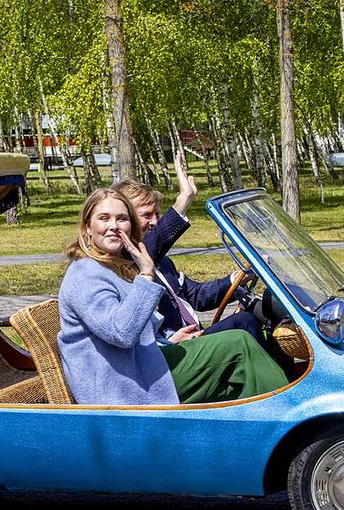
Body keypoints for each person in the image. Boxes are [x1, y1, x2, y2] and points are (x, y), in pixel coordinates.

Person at [57, 188, 288, 406]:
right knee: (239, 345)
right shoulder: (85, 274)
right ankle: (295, 421)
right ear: (87, 227)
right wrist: (146, 274)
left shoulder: (112, 266)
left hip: (144, 366)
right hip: (123, 389)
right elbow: (122, 332)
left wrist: (168, 340)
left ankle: (254, 438)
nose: (114, 226)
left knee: (237, 358)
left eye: (121, 219)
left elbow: (139, 327)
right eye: (104, 218)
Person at [114, 149, 268, 345]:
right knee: (244, 323)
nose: (154, 222)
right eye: (147, 215)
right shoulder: (125, 262)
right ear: (126, 219)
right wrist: (184, 199)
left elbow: (196, 296)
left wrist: (237, 278)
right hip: (173, 350)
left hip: (195, 338)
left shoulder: (162, 261)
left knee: (265, 311)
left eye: (158, 215)